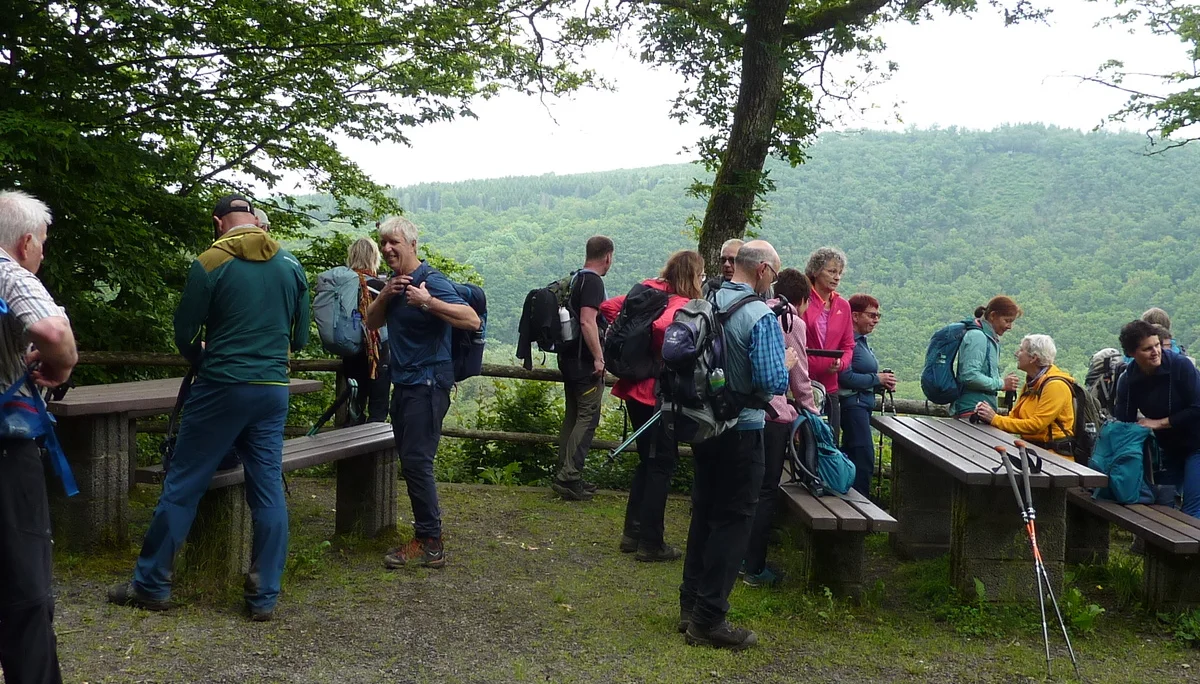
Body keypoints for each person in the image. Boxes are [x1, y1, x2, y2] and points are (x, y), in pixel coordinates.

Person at [109, 194, 309, 622]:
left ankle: (151, 584)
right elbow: (303, 337)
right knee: (268, 488)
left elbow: (184, 330)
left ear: (219, 223)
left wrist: (200, 357)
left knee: (183, 484)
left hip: (220, 386)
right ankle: (264, 595)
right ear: (255, 221)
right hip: (273, 388)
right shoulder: (291, 264)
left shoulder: (210, 262)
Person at [680, 240, 798, 651]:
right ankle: (709, 619)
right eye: (776, 272)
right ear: (763, 270)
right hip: (743, 429)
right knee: (734, 521)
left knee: (705, 513)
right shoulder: (758, 315)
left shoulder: (708, 299)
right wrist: (785, 365)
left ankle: (689, 606)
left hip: (705, 425)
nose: (775, 280)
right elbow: (770, 384)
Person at [365, 216, 480, 569]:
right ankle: (428, 537)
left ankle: (430, 541)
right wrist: (385, 294)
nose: (386, 249)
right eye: (383, 243)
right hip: (405, 383)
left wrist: (428, 302)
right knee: (412, 460)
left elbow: (471, 318)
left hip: (428, 384)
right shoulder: (395, 285)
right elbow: (370, 322)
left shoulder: (431, 281)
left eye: (393, 243)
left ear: (413, 245)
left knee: (417, 461)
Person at [0, 190, 77, 684]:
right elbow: (51, 330)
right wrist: (63, 363)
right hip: (6, 455)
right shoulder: (9, 272)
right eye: (43, 244)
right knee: (24, 593)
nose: (42, 253)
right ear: (26, 241)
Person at [600, 250, 702, 562]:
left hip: (633, 387)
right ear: (691, 276)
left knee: (648, 461)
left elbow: (609, 307)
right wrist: (662, 354)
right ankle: (651, 543)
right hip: (657, 393)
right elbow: (663, 327)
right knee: (661, 464)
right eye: (700, 275)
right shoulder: (680, 303)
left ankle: (632, 533)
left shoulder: (648, 290)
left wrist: (637, 350)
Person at [743, 267, 817, 588]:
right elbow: (799, 378)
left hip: (747, 413)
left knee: (745, 490)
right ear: (801, 299)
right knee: (765, 493)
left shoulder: (758, 312)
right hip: (774, 416)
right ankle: (755, 567)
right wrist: (812, 416)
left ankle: (737, 559)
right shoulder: (792, 321)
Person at [1113, 319, 1200, 517]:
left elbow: (1198, 406)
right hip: (1168, 448)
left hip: (1197, 443)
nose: (1156, 352)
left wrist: (1159, 423)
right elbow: (1124, 421)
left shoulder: (1180, 366)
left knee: (1192, 510)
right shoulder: (1128, 380)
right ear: (1132, 354)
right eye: (1147, 349)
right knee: (1163, 505)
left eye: (1157, 345)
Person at [551, 235, 614, 502]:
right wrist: (599, 358)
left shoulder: (576, 278)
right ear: (608, 257)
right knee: (588, 417)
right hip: (584, 363)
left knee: (574, 416)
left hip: (567, 358)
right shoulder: (593, 282)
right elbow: (588, 322)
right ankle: (569, 476)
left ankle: (564, 472)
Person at [973, 334, 1077, 460]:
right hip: (1034, 452)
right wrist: (987, 415)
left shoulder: (1055, 386)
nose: (1017, 353)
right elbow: (1014, 417)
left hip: (1055, 458)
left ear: (1033, 358)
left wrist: (995, 419)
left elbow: (1036, 425)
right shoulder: (1032, 383)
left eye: (1021, 350)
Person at [838, 294, 896, 493]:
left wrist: (880, 383)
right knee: (863, 457)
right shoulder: (849, 342)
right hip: (852, 405)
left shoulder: (861, 341)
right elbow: (844, 377)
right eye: (871, 315)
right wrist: (877, 379)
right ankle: (859, 504)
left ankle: (849, 499)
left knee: (853, 453)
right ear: (854, 316)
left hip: (860, 405)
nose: (876, 320)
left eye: (878, 315)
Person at [802, 247, 855, 443]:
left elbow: (849, 345)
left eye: (839, 273)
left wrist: (841, 364)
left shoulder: (843, 306)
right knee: (804, 442)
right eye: (832, 271)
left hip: (830, 386)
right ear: (816, 271)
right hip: (803, 385)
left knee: (830, 442)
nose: (837, 277)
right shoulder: (804, 300)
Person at [341, 237, 390, 425]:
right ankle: (372, 453)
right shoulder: (379, 287)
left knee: (354, 408)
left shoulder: (344, 285)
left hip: (350, 352)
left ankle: (350, 451)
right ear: (374, 257)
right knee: (378, 411)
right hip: (378, 355)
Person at [950, 295, 1021, 418]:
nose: (1009, 326)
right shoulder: (978, 337)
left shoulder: (989, 338)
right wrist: (1002, 384)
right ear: (993, 316)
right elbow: (969, 375)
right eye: (1007, 320)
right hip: (972, 411)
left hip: (979, 411)